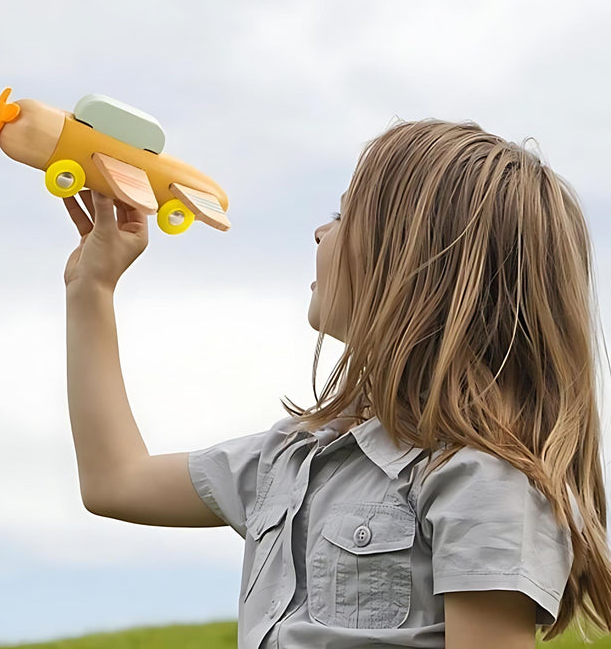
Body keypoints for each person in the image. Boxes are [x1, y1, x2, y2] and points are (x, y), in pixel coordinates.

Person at [62, 119, 611, 649]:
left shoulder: (484, 482)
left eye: (344, 214)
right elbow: (116, 482)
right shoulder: (289, 460)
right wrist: (92, 288)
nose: (321, 231)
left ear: (411, 259)